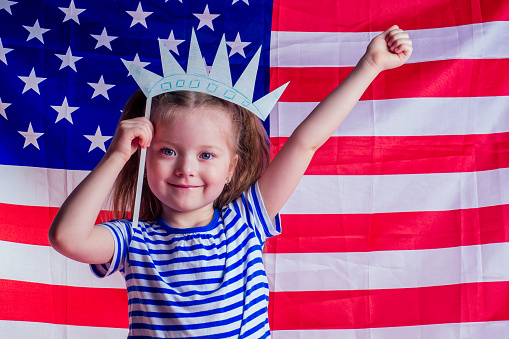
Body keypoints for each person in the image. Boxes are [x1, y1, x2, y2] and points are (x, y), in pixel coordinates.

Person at [49, 25, 412, 338]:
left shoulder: (247, 219)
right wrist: (116, 155)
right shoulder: (132, 238)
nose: (186, 169)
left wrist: (370, 65)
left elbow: (306, 143)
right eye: (168, 151)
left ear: (232, 168)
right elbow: (67, 238)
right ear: (143, 155)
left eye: (206, 155)